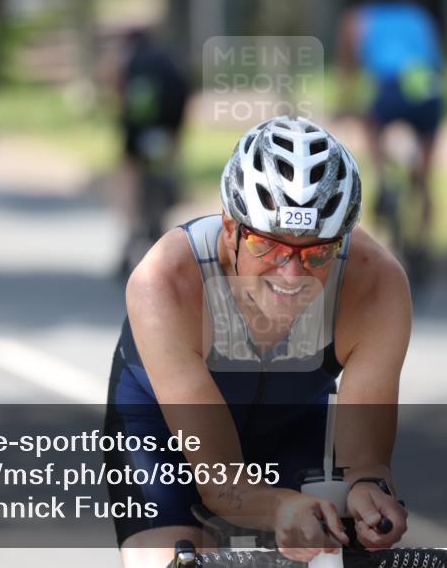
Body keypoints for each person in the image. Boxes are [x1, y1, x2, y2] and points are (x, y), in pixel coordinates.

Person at [104, 117, 411, 567]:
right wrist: (279, 507)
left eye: (317, 251)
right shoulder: (165, 283)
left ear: (342, 242)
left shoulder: (377, 286)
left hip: (293, 423)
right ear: (231, 228)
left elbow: (365, 465)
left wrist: (368, 496)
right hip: (162, 433)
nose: (292, 275)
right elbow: (219, 481)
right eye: (270, 246)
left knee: (329, 551)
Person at [337, 0, 445, 244]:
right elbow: (435, 57)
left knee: (371, 125)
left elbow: (349, 69)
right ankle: (422, 196)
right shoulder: (419, 17)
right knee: (425, 166)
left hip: (390, 87)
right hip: (427, 86)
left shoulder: (358, 18)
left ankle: (383, 179)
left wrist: (346, 103)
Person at [115, 28, 190, 277]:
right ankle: (163, 215)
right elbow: (183, 95)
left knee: (130, 179)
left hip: (137, 132)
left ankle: (132, 230)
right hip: (167, 129)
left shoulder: (131, 61)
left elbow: (121, 95)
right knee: (166, 173)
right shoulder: (168, 61)